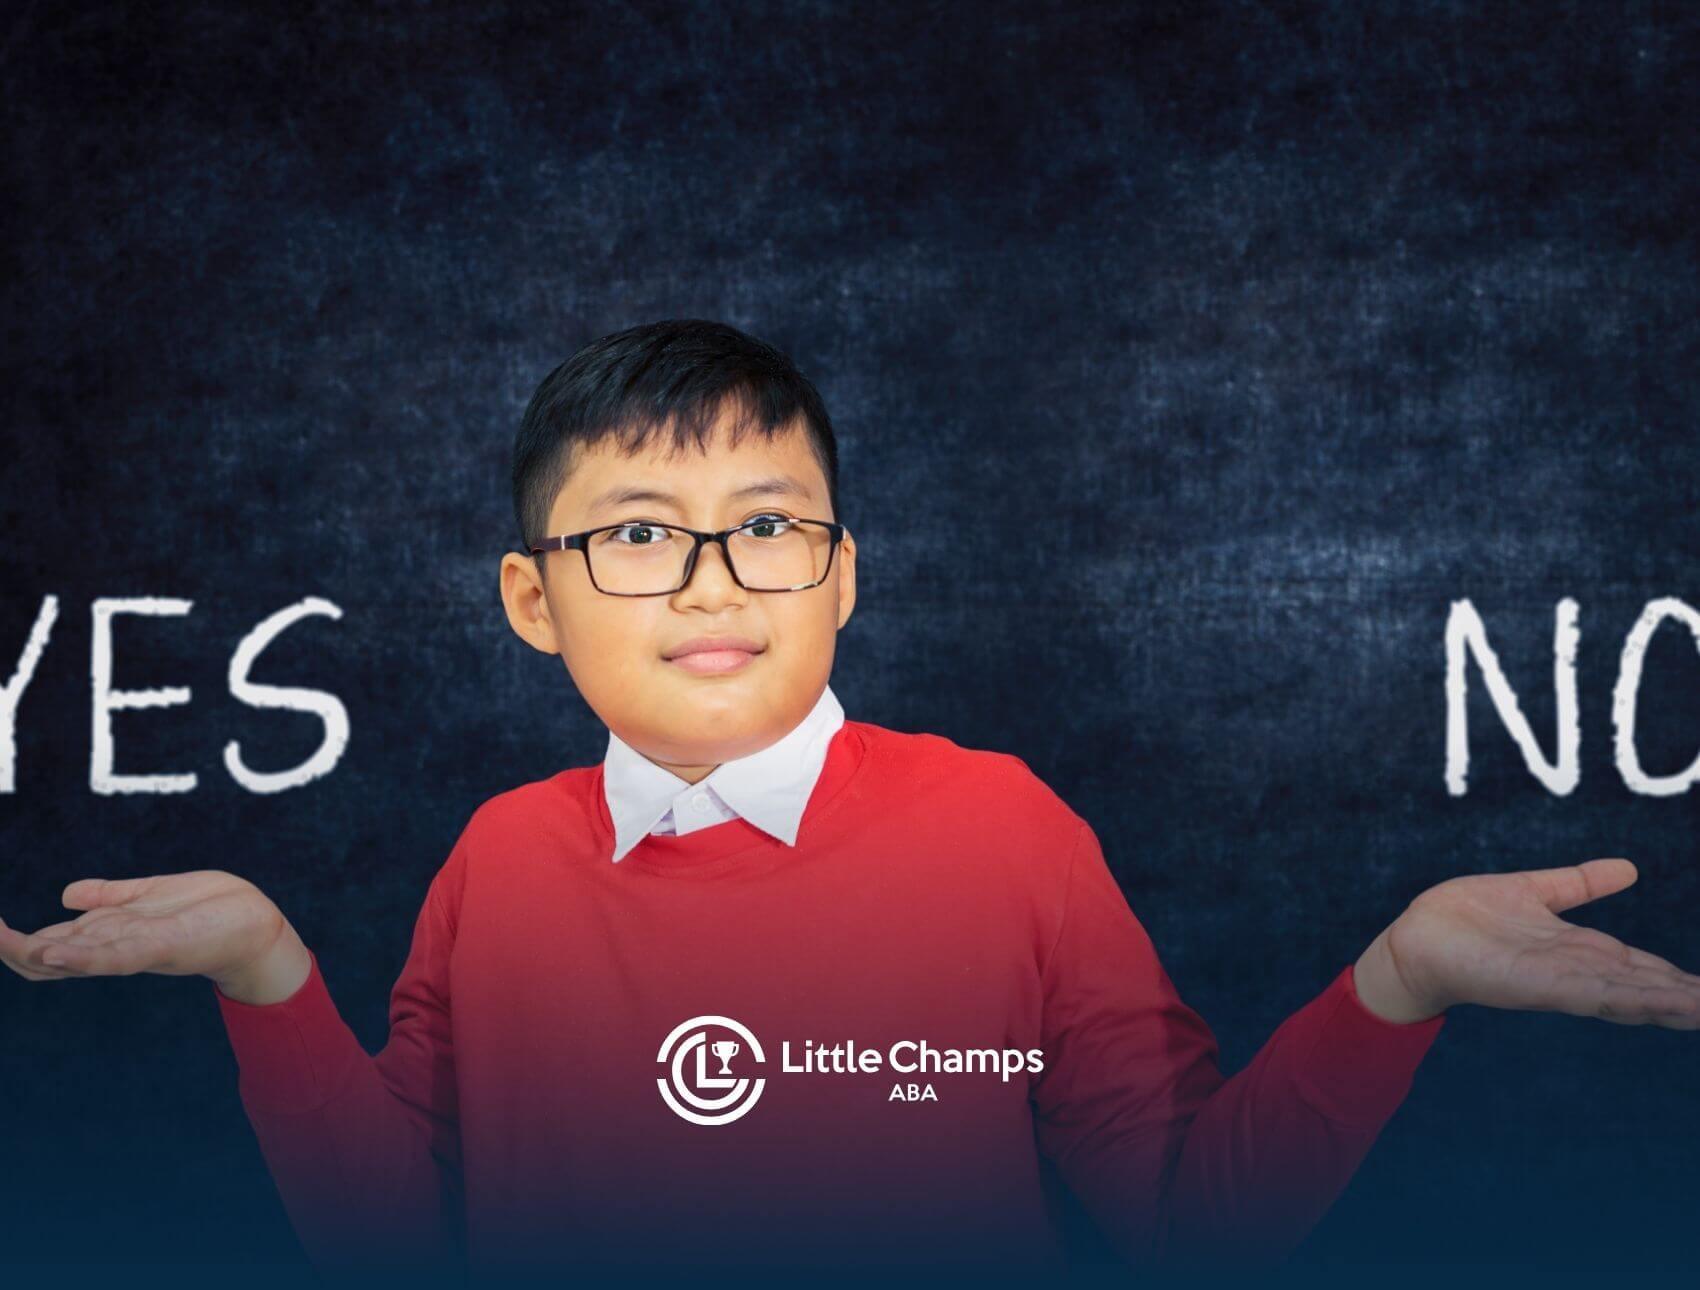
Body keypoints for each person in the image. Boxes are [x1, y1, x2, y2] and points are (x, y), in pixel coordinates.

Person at [4, 320, 1697, 1283]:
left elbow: (1188, 1221)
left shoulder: (1006, 827)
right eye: (640, 531)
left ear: (842, 579)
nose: (713, 578)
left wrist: (1397, 978)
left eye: (771, 523)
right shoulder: (500, 856)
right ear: (535, 599)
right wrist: (268, 974)